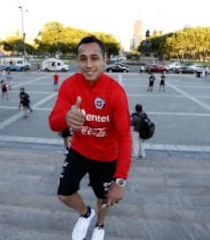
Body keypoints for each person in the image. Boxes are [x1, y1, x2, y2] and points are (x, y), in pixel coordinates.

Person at [49, 35, 132, 240]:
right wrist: (66, 118)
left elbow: (125, 138)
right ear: (77, 61)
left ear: (105, 59)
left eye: (94, 58)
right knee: (63, 193)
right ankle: (86, 213)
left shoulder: (115, 92)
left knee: (104, 198)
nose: (88, 65)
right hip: (79, 150)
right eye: (83, 58)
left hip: (106, 158)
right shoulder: (69, 85)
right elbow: (53, 122)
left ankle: (100, 226)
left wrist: (120, 180)